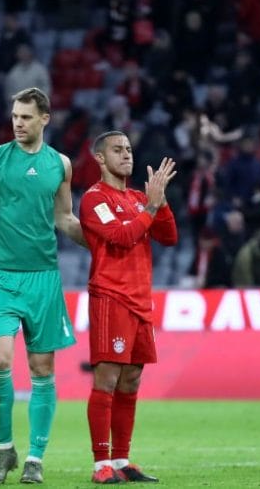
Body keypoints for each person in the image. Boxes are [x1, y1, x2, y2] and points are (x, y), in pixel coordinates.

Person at [0, 87, 86, 484]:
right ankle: (5, 449)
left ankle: (35, 458)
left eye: (26, 116)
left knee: (43, 369)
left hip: (43, 277)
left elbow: (65, 218)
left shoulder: (60, 164)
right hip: (0, 276)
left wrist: (106, 241)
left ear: (45, 118)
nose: (18, 122)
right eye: (15, 116)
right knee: (1, 360)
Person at [79, 131, 178, 484]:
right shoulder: (94, 200)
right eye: (117, 150)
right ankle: (100, 464)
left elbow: (169, 237)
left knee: (132, 380)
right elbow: (121, 237)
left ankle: (121, 460)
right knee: (107, 379)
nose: (126, 155)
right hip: (111, 296)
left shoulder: (139, 197)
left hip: (140, 300)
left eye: (129, 149)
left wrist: (159, 201)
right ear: (100, 159)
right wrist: (151, 207)